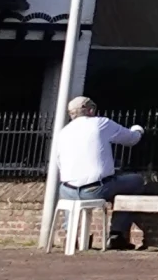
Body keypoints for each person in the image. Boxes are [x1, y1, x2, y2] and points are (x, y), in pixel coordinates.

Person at [51, 95, 150, 249]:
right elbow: (131, 139)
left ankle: (69, 235)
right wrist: (138, 130)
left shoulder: (63, 132)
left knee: (71, 191)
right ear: (90, 110)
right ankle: (117, 234)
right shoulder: (100, 123)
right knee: (136, 182)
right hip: (96, 188)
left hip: (67, 189)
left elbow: (58, 162)